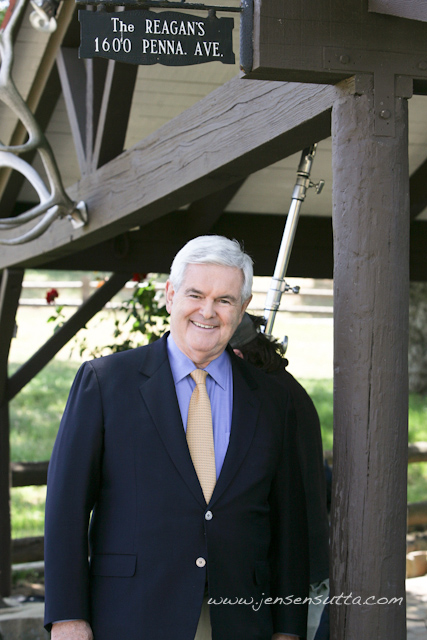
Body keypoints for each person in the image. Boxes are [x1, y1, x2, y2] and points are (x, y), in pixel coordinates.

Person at [44, 235, 309, 640]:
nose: (208, 311)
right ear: (170, 295)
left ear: (242, 309)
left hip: (239, 620)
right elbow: (66, 510)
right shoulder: (105, 383)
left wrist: (289, 628)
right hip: (131, 615)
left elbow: (290, 522)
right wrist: (67, 617)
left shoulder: (272, 399)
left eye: (224, 300)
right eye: (196, 294)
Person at [230, 313, 330, 640]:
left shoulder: (268, 397)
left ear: (240, 354)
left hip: (286, 573)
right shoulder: (283, 388)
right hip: (301, 564)